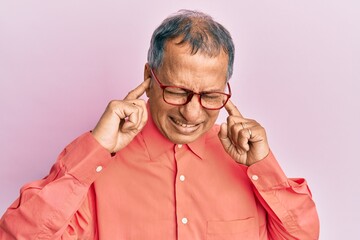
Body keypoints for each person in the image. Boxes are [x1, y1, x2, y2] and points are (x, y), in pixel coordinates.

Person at [0, 9, 319, 240]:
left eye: (210, 95)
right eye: (177, 91)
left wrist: (264, 166)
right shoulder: (97, 170)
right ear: (148, 79)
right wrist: (96, 149)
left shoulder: (248, 166)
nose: (192, 114)